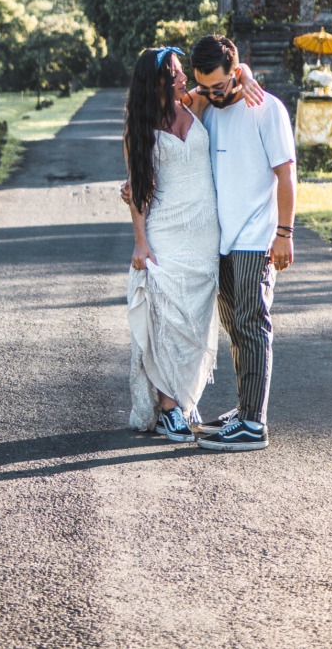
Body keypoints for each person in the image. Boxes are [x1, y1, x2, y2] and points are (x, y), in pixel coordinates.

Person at [124, 45, 263, 443]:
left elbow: (235, 73)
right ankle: (169, 409)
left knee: (197, 322)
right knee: (169, 319)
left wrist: (248, 75)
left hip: (205, 236)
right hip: (166, 235)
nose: (186, 78)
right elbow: (138, 190)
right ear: (159, 82)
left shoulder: (194, 103)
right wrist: (139, 242)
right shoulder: (141, 129)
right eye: (178, 73)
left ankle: (184, 398)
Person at [184, 33, 297, 453]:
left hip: (255, 237)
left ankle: (254, 423)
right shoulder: (208, 109)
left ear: (236, 70)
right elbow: (177, 106)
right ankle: (246, 406)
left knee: (252, 323)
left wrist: (284, 233)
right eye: (205, 86)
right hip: (221, 241)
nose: (213, 93)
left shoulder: (266, 108)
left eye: (220, 84)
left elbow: (286, 174)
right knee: (235, 327)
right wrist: (215, 90)